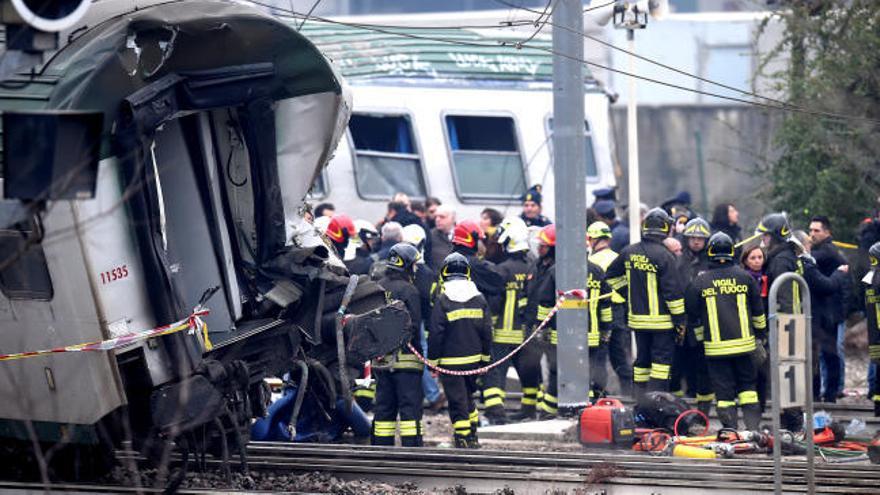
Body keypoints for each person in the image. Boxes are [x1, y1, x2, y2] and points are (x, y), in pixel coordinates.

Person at [685, 233, 766, 430]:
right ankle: (752, 431)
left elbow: (692, 314)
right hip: (745, 347)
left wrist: (699, 340)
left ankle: (730, 431)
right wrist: (761, 337)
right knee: (748, 390)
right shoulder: (745, 278)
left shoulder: (700, 282)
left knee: (724, 395)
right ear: (732, 252)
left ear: (710, 253)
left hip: (716, 351)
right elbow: (758, 312)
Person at [606, 208, 687, 401]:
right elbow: (673, 294)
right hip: (662, 323)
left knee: (641, 362)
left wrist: (628, 294)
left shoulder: (629, 251)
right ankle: (657, 402)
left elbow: (611, 276)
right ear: (665, 229)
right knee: (660, 364)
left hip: (638, 322)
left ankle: (640, 400)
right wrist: (680, 322)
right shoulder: (665, 256)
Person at [429, 253, 493, 448]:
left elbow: (436, 333)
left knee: (457, 403)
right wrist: (485, 360)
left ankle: (463, 440)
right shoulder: (479, 297)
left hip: (450, 363)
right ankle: (473, 436)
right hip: (473, 361)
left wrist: (433, 362)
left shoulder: (443, 299)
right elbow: (486, 331)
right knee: (468, 398)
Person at [481, 217, 541, 424]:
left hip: (503, 333)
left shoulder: (503, 269)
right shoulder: (534, 267)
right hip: (528, 333)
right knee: (530, 371)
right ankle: (530, 409)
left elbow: (495, 303)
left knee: (495, 373)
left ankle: (496, 413)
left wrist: (489, 326)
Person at [756, 212, 805, 431]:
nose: (763, 240)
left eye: (766, 236)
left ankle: (793, 423)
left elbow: (784, 297)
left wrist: (781, 325)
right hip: (792, 321)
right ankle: (789, 421)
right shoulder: (784, 256)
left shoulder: (781, 260)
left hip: (788, 323)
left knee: (789, 373)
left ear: (776, 235)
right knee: (787, 372)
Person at [372, 243, 425, 446]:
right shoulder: (409, 290)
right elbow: (415, 325)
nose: (416, 268)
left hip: (381, 360)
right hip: (407, 362)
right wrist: (421, 357)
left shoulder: (379, 286)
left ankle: (380, 448)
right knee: (409, 408)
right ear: (407, 265)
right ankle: (411, 449)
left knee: (384, 406)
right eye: (414, 264)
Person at [792, 230, 849, 403]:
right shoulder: (807, 264)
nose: (811, 245)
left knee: (822, 357)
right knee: (819, 358)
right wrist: (839, 273)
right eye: (808, 242)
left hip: (821, 316)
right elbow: (827, 285)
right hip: (816, 318)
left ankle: (821, 394)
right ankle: (821, 395)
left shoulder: (810, 260)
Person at [670, 218, 714, 415]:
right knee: (677, 364)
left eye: (700, 238)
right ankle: (679, 409)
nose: (696, 241)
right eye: (692, 238)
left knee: (702, 365)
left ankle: (703, 410)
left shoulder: (711, 262)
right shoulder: (677, 260)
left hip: (703, 321)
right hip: (681, 321)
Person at [401, 224, 445, 412]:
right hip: (419, 323)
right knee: (421, 356)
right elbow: (430, 301)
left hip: (396, 319)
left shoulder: (396, 268)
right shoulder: (425, 273)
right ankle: (434, 395)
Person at [587, 221, 633, 396]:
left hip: (599, 312)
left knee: (599, 356)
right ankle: (630, 396)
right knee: (620, 356)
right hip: (619, 311)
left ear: (592, 239)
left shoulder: (590, 262)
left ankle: (598, 395)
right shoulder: (618, 258)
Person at [809, 215, 850, 401]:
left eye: (816, 230)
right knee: (824, 354)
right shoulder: (821, 250)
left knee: (829, 353)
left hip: (828, 313)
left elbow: (812, 260)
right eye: (810, 230)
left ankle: (831, 393)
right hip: (822, 312)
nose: (812, 234)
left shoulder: (827, 251)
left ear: (827, 232)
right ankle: (826, 393)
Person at [741, 245, 770, 410]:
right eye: (753, 258)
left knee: (762, 367)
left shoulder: (766, 278)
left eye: (760, 257)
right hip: (749, 330)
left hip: (764, 328)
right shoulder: (744, 278)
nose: (757, 261)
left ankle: (762, 403)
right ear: (745, 260)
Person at [451, 220, 504, 298]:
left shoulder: (449, 262)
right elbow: (498, 284)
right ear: (473, 240)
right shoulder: (475, 265)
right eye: (480, 240)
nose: (482, 244)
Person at [863, 242, 880, 416]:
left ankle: (877, 407)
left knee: (877, 369)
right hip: (878, 331)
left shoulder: (871, 278)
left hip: (874, 333)